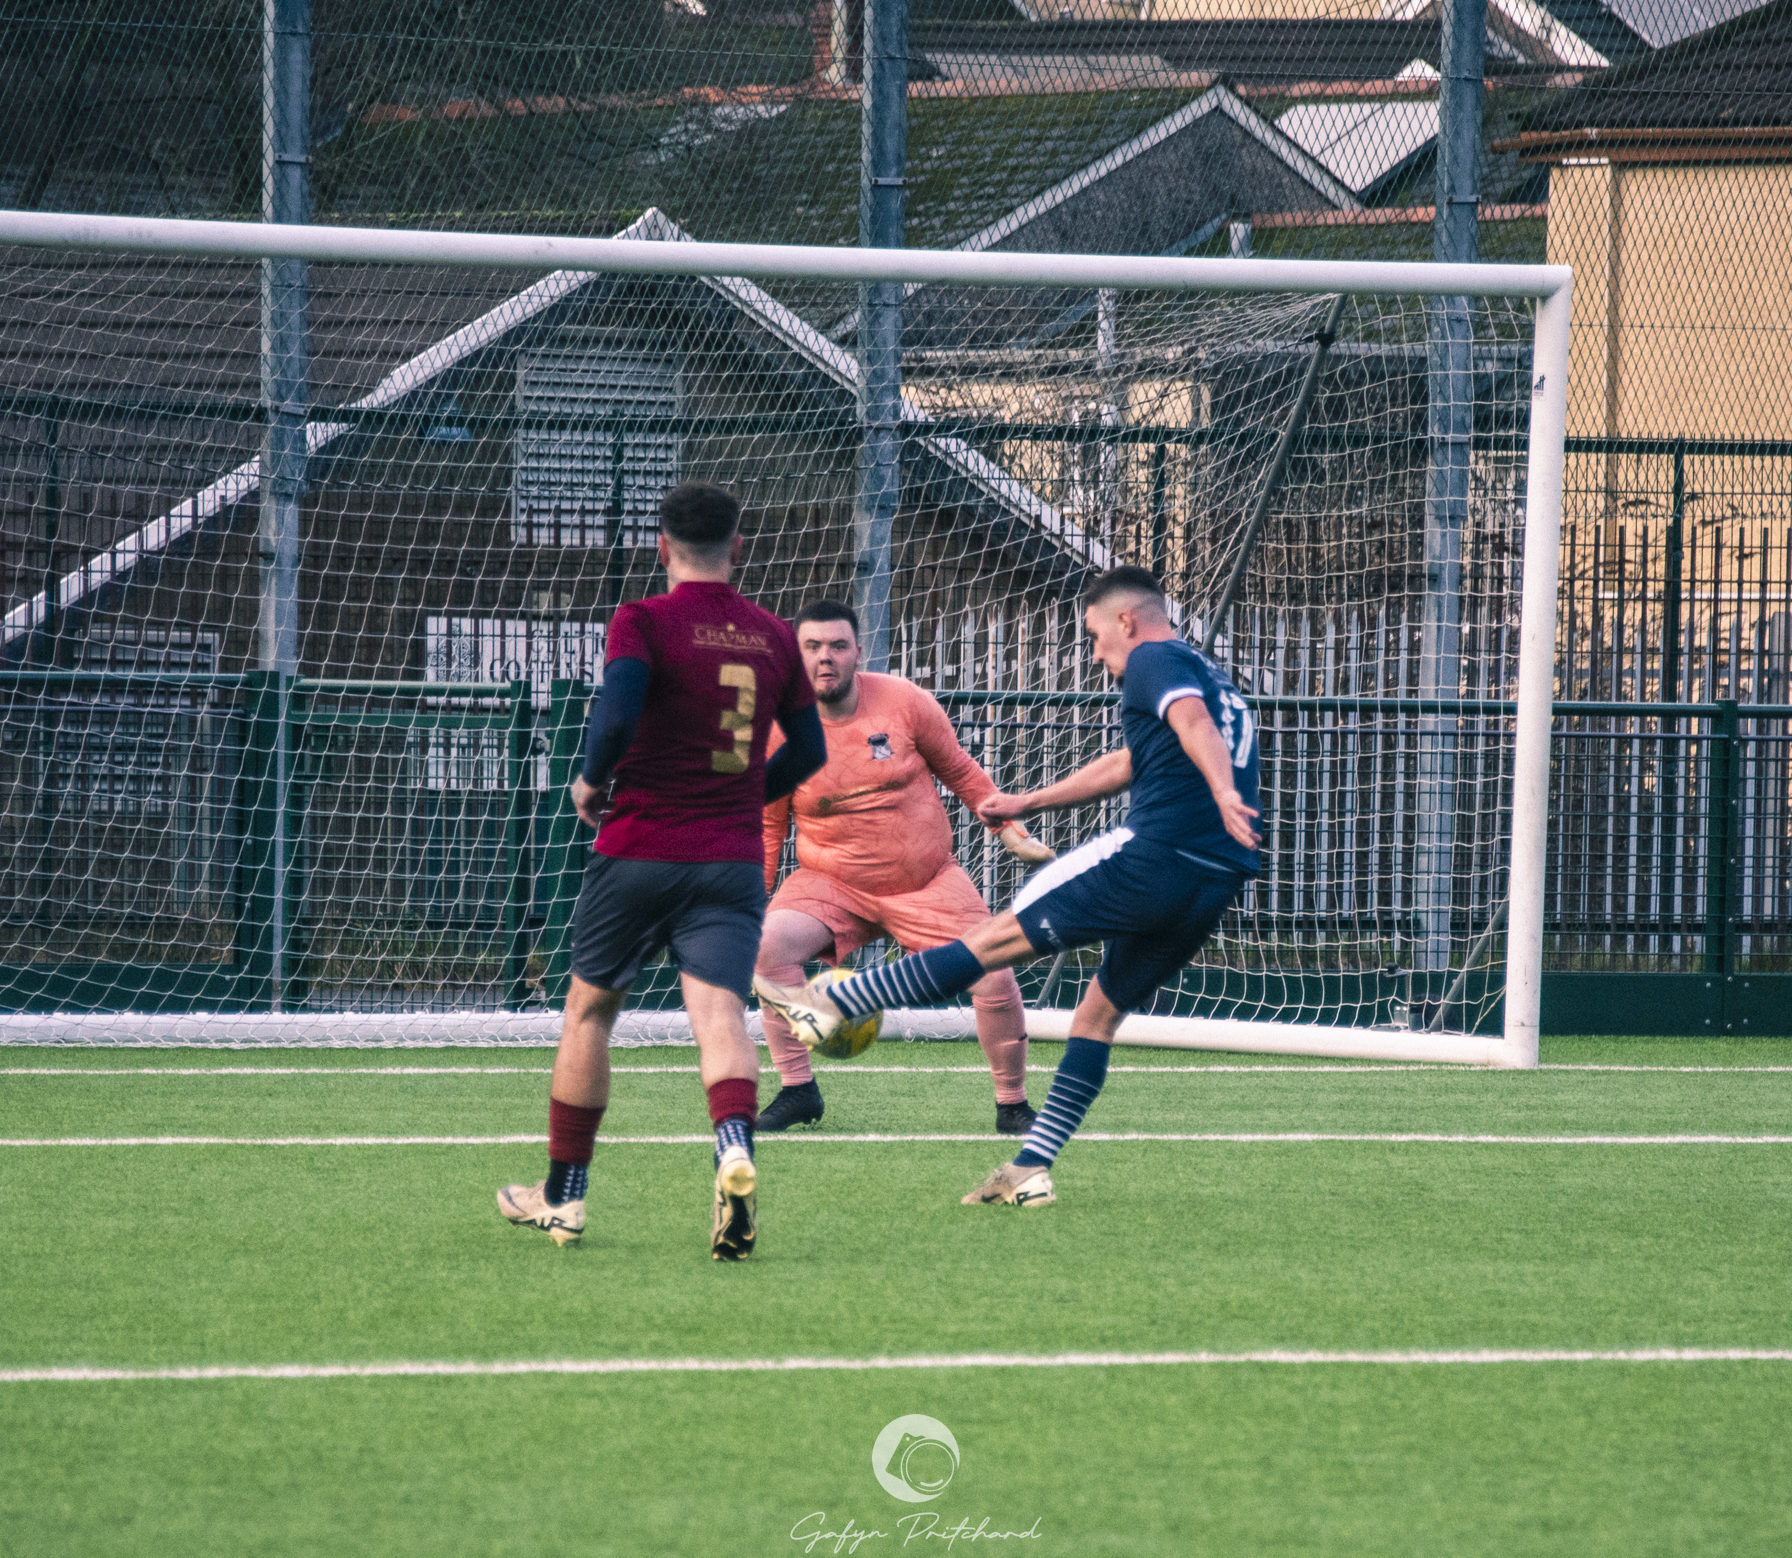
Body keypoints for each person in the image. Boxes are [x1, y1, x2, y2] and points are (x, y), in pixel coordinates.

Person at [756, 565, 1260, 1208]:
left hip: (1152, 856)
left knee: (993, 944)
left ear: (1127, 621)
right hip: (1217, 876)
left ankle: (848, 999)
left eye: (1097, 637)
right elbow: (1133, 761)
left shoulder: (1152, 660)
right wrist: (1029, 800)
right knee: (1097, 1015)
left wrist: (1219, 789)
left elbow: (1191, 724)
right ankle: (1029, 1168)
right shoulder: (1204, 667)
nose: (1100, 655)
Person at [497, 481, 824, 1259]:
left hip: (639, 847)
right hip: (730, 859)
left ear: (661, 545)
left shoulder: (641, 618)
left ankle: (564, 1197)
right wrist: (746, 793)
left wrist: (588, 780)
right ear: (737, 547)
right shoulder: (776, 636)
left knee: (589, 1013)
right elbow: (809, 753)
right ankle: (733, 1148)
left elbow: (615, 711)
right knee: (719, 1015)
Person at [752, 599, 1054, 1135]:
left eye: (838, 646)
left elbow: (962, 772)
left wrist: (1011, 833)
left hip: (927, 880)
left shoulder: (906, 702)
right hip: (830, 884)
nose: (826, 658)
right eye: (813, 647)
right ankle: (798, 1091)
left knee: (995, 973)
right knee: (765, 948)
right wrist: (748, 898)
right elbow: (769, 825)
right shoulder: (776, 729)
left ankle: (1012, 1105)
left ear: (857, 652)